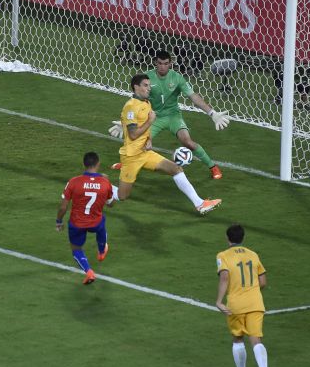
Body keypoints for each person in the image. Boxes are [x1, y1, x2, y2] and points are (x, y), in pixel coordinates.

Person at [109, 50, 230, 179]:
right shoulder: (147, 77)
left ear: (170, 63)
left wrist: (212, 113)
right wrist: (126, 122)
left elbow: (193, 96)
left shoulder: (177, 78)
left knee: (187, 142)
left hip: (173, 116)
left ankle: (213, 167)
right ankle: (126, 164)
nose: (162, 66)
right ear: (156, 62)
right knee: (138, 142)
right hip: (154, 117)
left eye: (166, 63)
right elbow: (137, 99)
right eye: (160, 63)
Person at [110, 74, 221, 214]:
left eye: (149, 85)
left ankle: (200, 204)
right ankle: (101, 185)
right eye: (145, 85)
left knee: (176, 169)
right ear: (136, 87)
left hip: (145, 153)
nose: (149, 88)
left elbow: (145, 127)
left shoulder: (146, 103)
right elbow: (133, 135)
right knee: (122, 196)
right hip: (131, 157)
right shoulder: (131, 107)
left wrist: (148, 139)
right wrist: (150, 121)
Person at [215, 224, 270, 367]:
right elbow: (263, 282)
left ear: (227, 238)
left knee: (238, 338)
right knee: (256, 339)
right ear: (243, 238)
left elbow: (224, 277)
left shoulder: (222, 256)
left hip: (236, 305)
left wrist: (219, 301)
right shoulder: (253, 254)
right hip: (255, 303)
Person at [56, 152, 113, 285]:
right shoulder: (105, 182)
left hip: (77, 223)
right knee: (102, 222)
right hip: (96, 222)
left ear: (83, 164)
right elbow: (110, 204)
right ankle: (101, 251)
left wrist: (59, 221)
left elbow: (63, 207)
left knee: (76, 248)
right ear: (98, 164)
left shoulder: (73, 182)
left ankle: (89, 272)